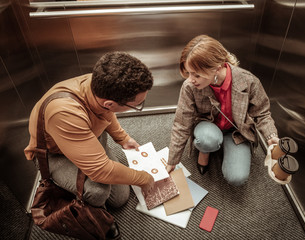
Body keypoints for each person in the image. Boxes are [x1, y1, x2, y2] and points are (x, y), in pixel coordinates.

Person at [24, 52, 155, 238]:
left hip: (87, 135)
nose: (140, 106)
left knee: (119, 199)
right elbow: (100, 171)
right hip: (54, 154)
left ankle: (90, 168)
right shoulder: (64, 113)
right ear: (109, 103)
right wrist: (144, 178)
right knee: (97, 192)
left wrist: (122, 138)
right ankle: (98, 219)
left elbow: (106, 114)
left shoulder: (97, 84)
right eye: (137, 105)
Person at [166, 35, 279, 186]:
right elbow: (181, 123)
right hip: (207, 127)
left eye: (197, 74)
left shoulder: (248, 80)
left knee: (237, 178)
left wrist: (271, 136)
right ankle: (205, 151)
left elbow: (262, 113)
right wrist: (172, 160)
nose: (191, 79)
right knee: (207, 139)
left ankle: (222, 146)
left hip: (236, 131)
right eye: (189, 73)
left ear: (217, 68)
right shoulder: (190, 87)